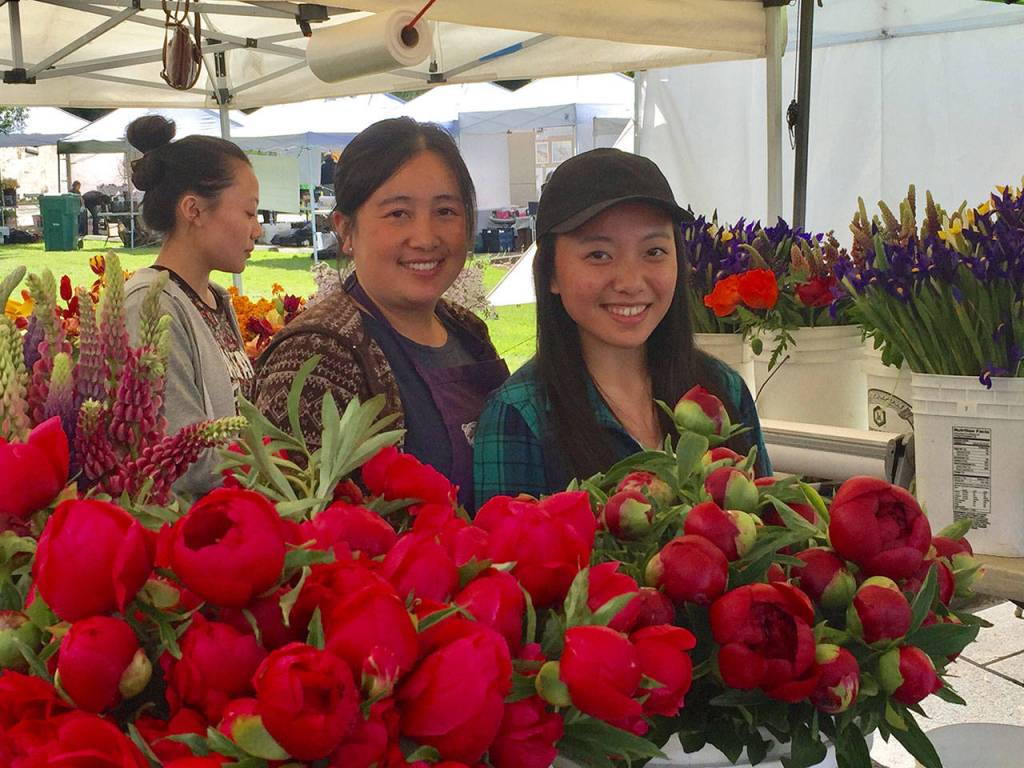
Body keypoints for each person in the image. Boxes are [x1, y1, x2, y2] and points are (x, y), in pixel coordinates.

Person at [474, 148, 770, 503]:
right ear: (551, 272)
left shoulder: (722, 389)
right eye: (599, 255)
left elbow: (769, 532)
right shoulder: (520, 416)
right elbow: (507, 555)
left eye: (654, 252)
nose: (630, 282)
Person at [253, 118, 509, 510]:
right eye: (398, 214)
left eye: (445, 211)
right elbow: (299, 533)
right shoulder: (314, 357)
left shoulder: (466, 330)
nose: (425, 237)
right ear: (346, 229)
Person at [122, 115, 261, 497]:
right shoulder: (149, 307)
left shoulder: (215, 298)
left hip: (232, 513)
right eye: (249, 212)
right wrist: (275, 465)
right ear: (194, 210)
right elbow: (184, 458)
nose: (258, 229)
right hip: (185, 535)